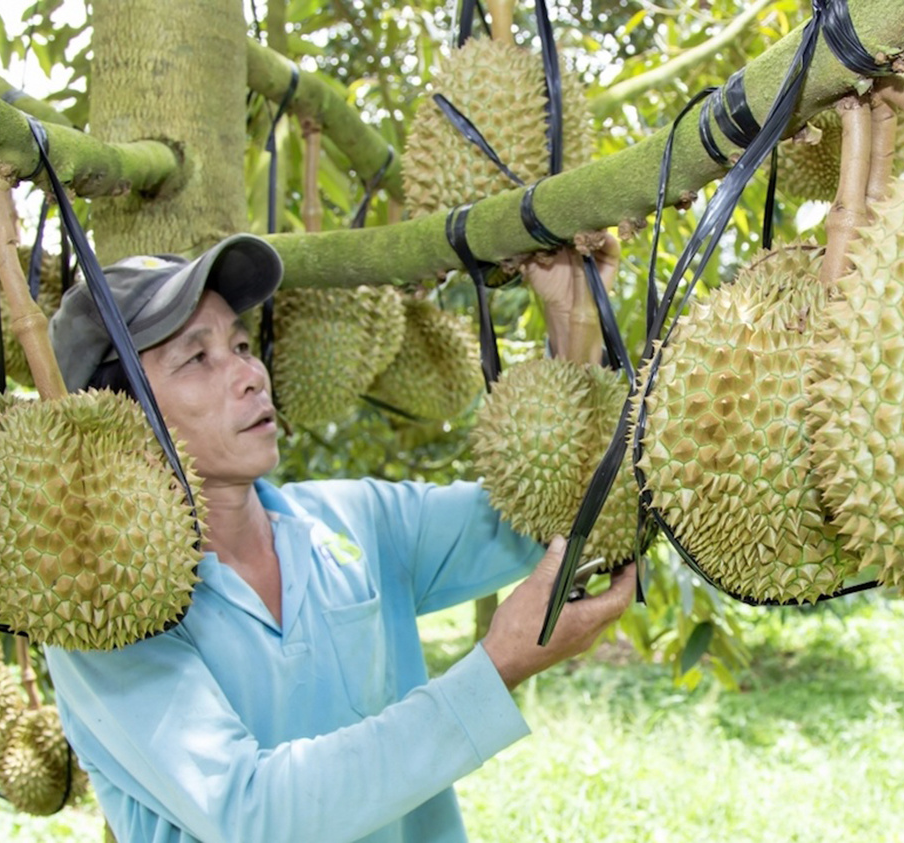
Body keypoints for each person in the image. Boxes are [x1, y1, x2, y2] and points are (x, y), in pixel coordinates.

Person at [43, 233, 636, 843]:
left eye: (242, 344)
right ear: (118, 414)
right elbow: (254, 815)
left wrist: (575, 323)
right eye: (198, 358)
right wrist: (497, 669)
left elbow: (542, 508)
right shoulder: (100, 615)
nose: (250, 373)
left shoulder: (354, 519)